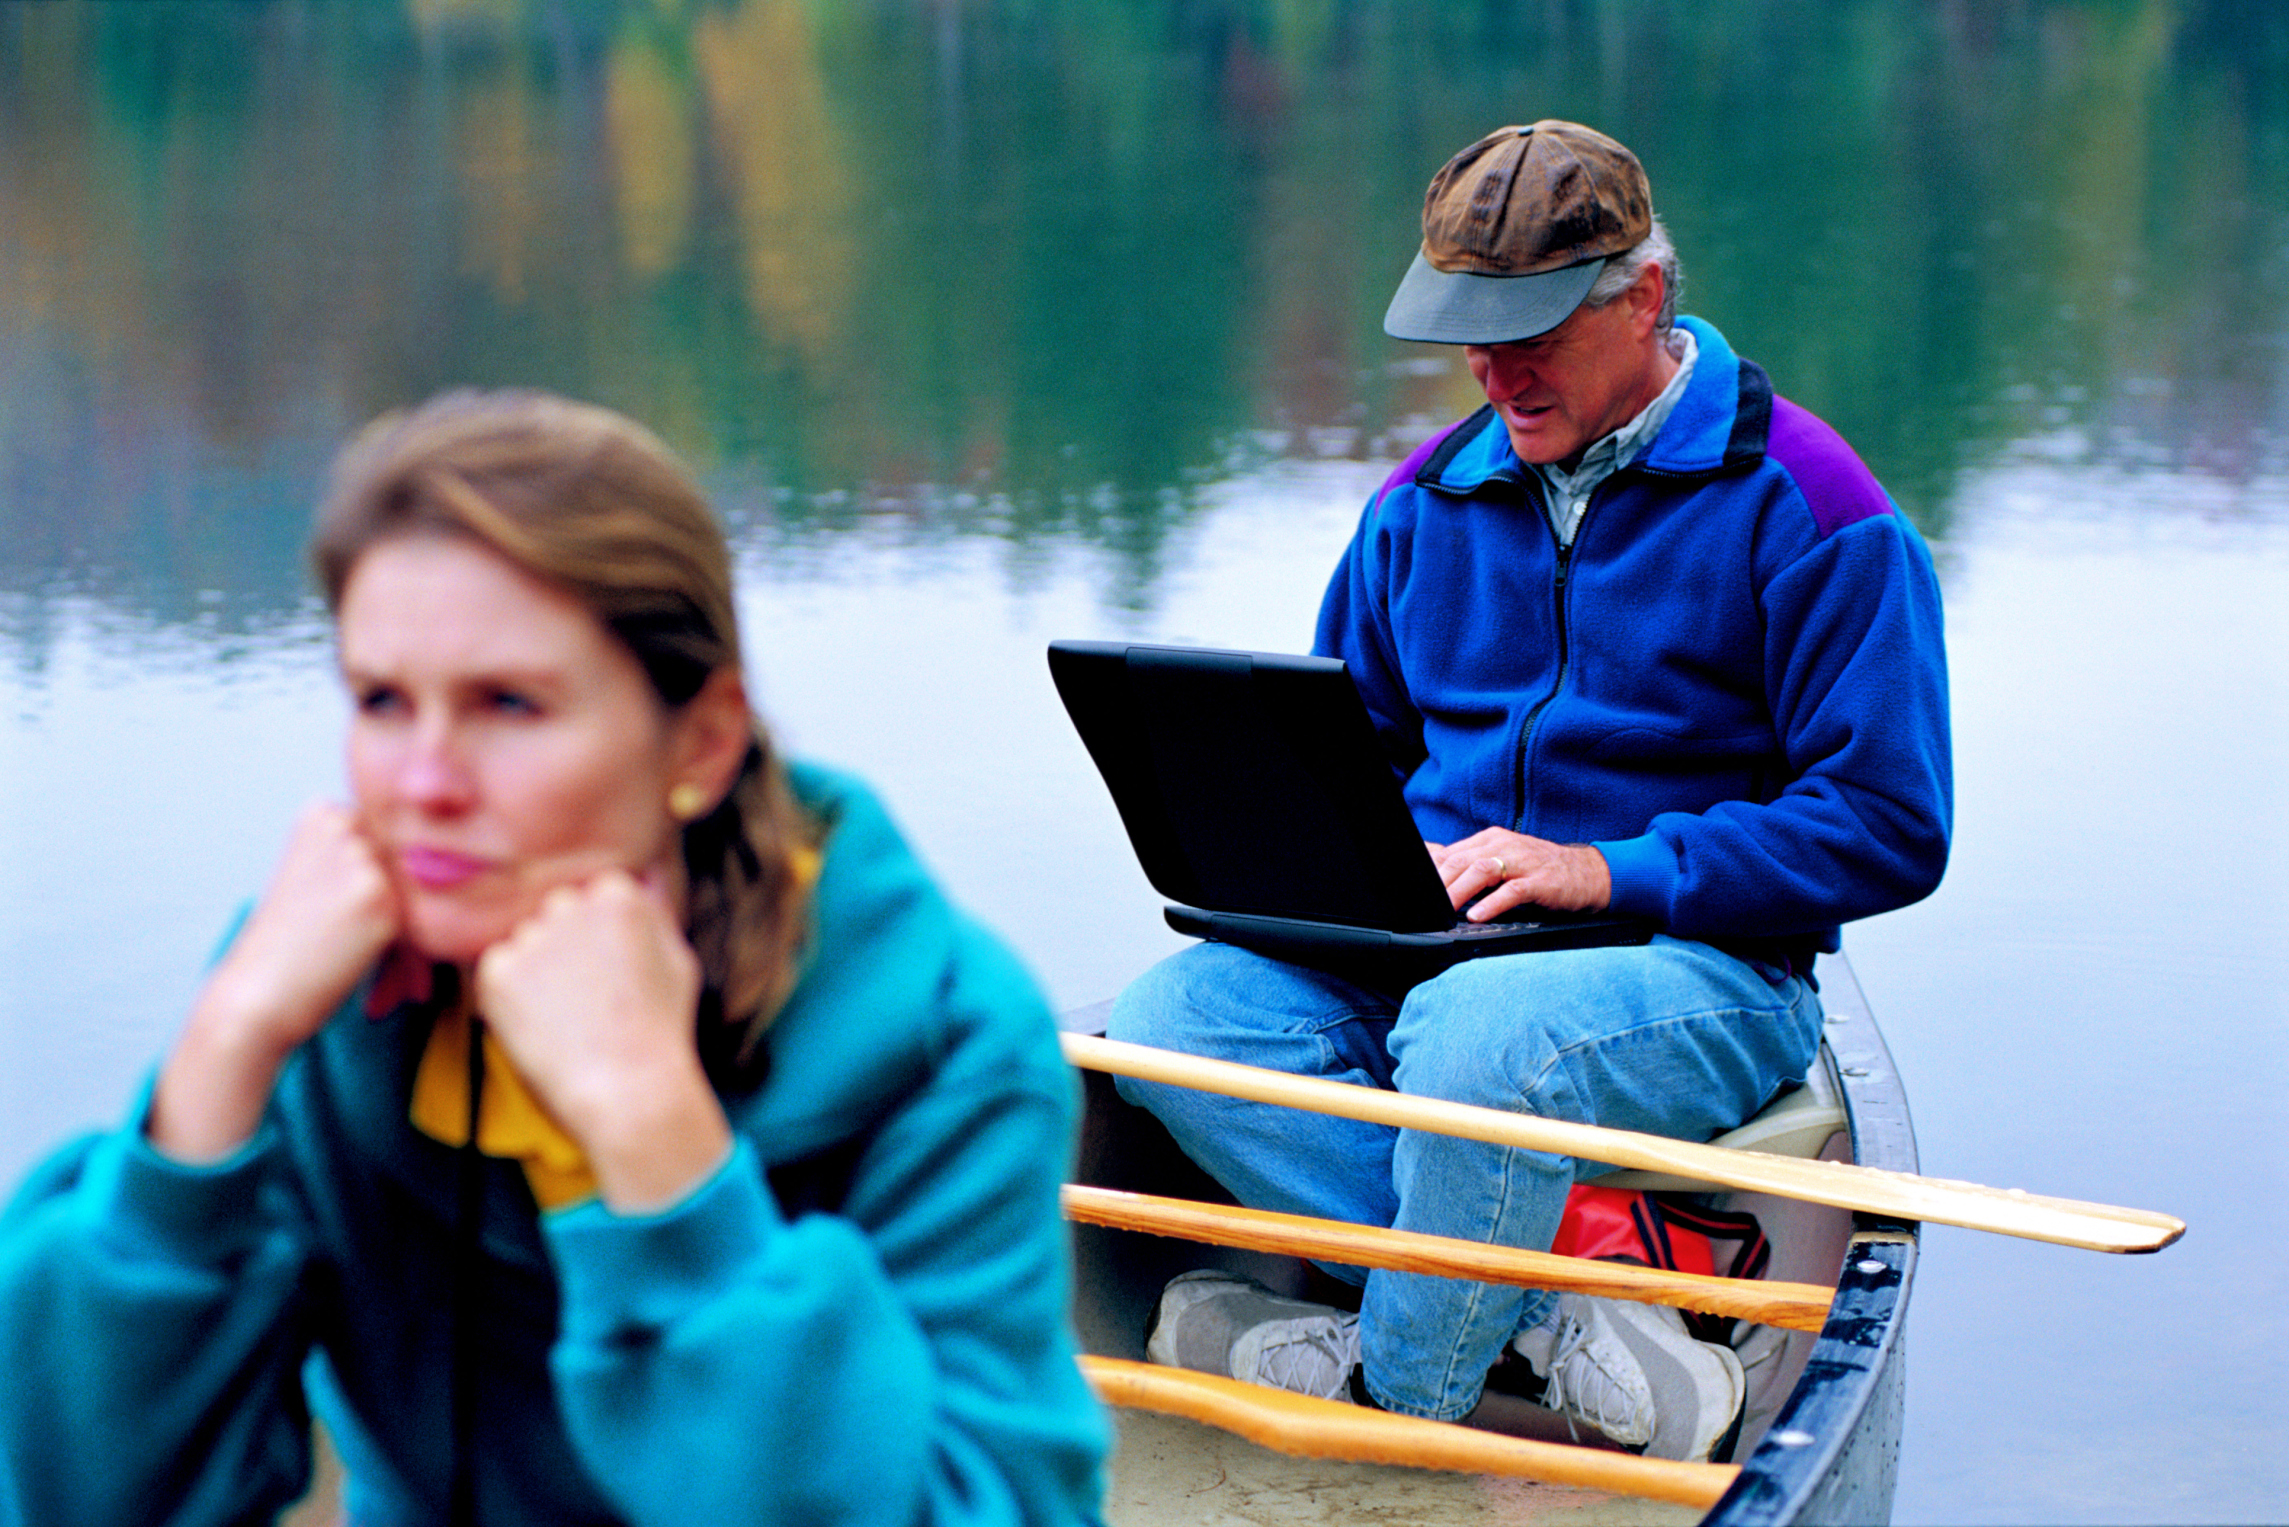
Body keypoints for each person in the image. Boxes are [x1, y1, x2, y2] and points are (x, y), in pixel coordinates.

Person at [0, 391, 1110, 1525]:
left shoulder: (944, 1040)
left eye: (509, 704)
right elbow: (89, 1497)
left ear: (703, 741)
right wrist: (226, 1050)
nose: (425, 784)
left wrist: (653, 1141)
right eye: (382, 700)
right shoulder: (320, 999)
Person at [1110, 121, 1950, 1462]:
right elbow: (1358, 751)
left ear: (1645, 300)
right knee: (1167, 1021)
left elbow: (1889, 823)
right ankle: (1561, 1301)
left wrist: (1609, 868)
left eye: (1534, 331)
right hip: (1436, 943)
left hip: (1701, 967)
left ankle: (1395, 1397)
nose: (1493, 370)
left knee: (1475, 1042)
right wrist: (1305, 865)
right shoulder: (1417, 506)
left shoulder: (1815, 507)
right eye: (1468, 332)